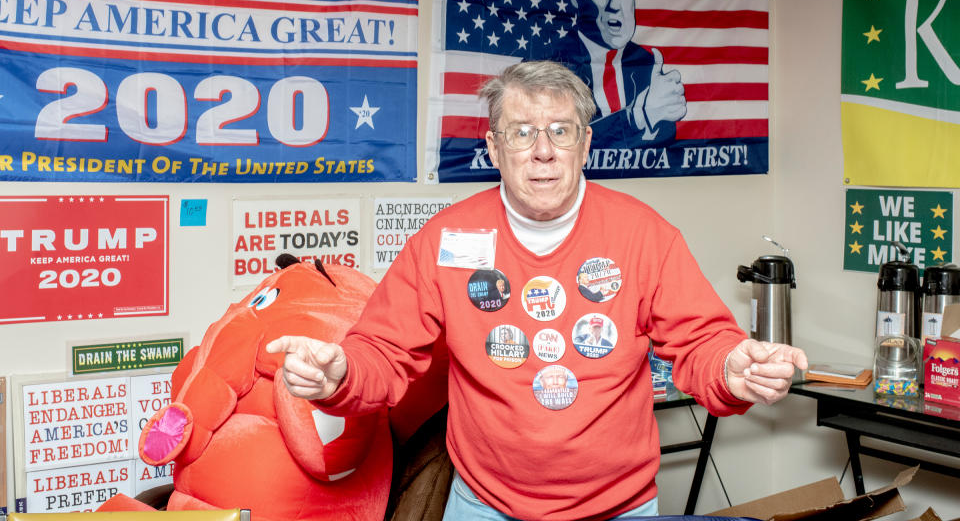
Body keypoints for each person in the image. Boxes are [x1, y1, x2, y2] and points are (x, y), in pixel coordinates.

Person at [267, 60, 807, 521]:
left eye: (561, 130)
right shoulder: (445, 239)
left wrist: (730, 370)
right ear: (494, 148)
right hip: (483, 504)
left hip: (620, 507)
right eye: (522, 132)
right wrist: (341, 375)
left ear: (586, 143)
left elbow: (701, 341)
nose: (543, 150)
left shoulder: (645, 235)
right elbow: (382, 351)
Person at [561, 0, 686, 144]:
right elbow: (558, 143)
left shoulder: (647, 65)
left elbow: (662, 145)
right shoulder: (547, 68)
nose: (615, 4)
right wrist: (638, 117)